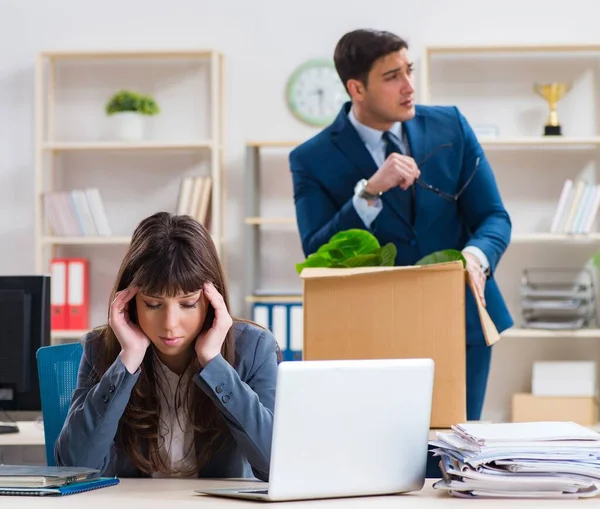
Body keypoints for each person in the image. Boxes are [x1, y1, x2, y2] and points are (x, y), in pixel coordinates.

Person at [289, 29, 513, 421]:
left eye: (409, 71)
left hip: (461, 320)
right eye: (392, 76)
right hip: (373, 328)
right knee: (384, 462)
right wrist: (369, 192)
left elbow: (494, 217)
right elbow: (316, 251)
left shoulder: (452, 126)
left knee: (455, 452)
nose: (409, 86)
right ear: (356, 89)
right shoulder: (311, 158)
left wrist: (475, 259)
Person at [55, 212, 279, 481]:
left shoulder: (254, 348)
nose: (170, 324)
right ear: (129, 301)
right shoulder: (100, 349)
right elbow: (75, 467)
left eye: (187, 304)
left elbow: (275, 466)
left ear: (212, 299)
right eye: (153, 304)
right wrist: (127, 362)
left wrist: (214, 363)